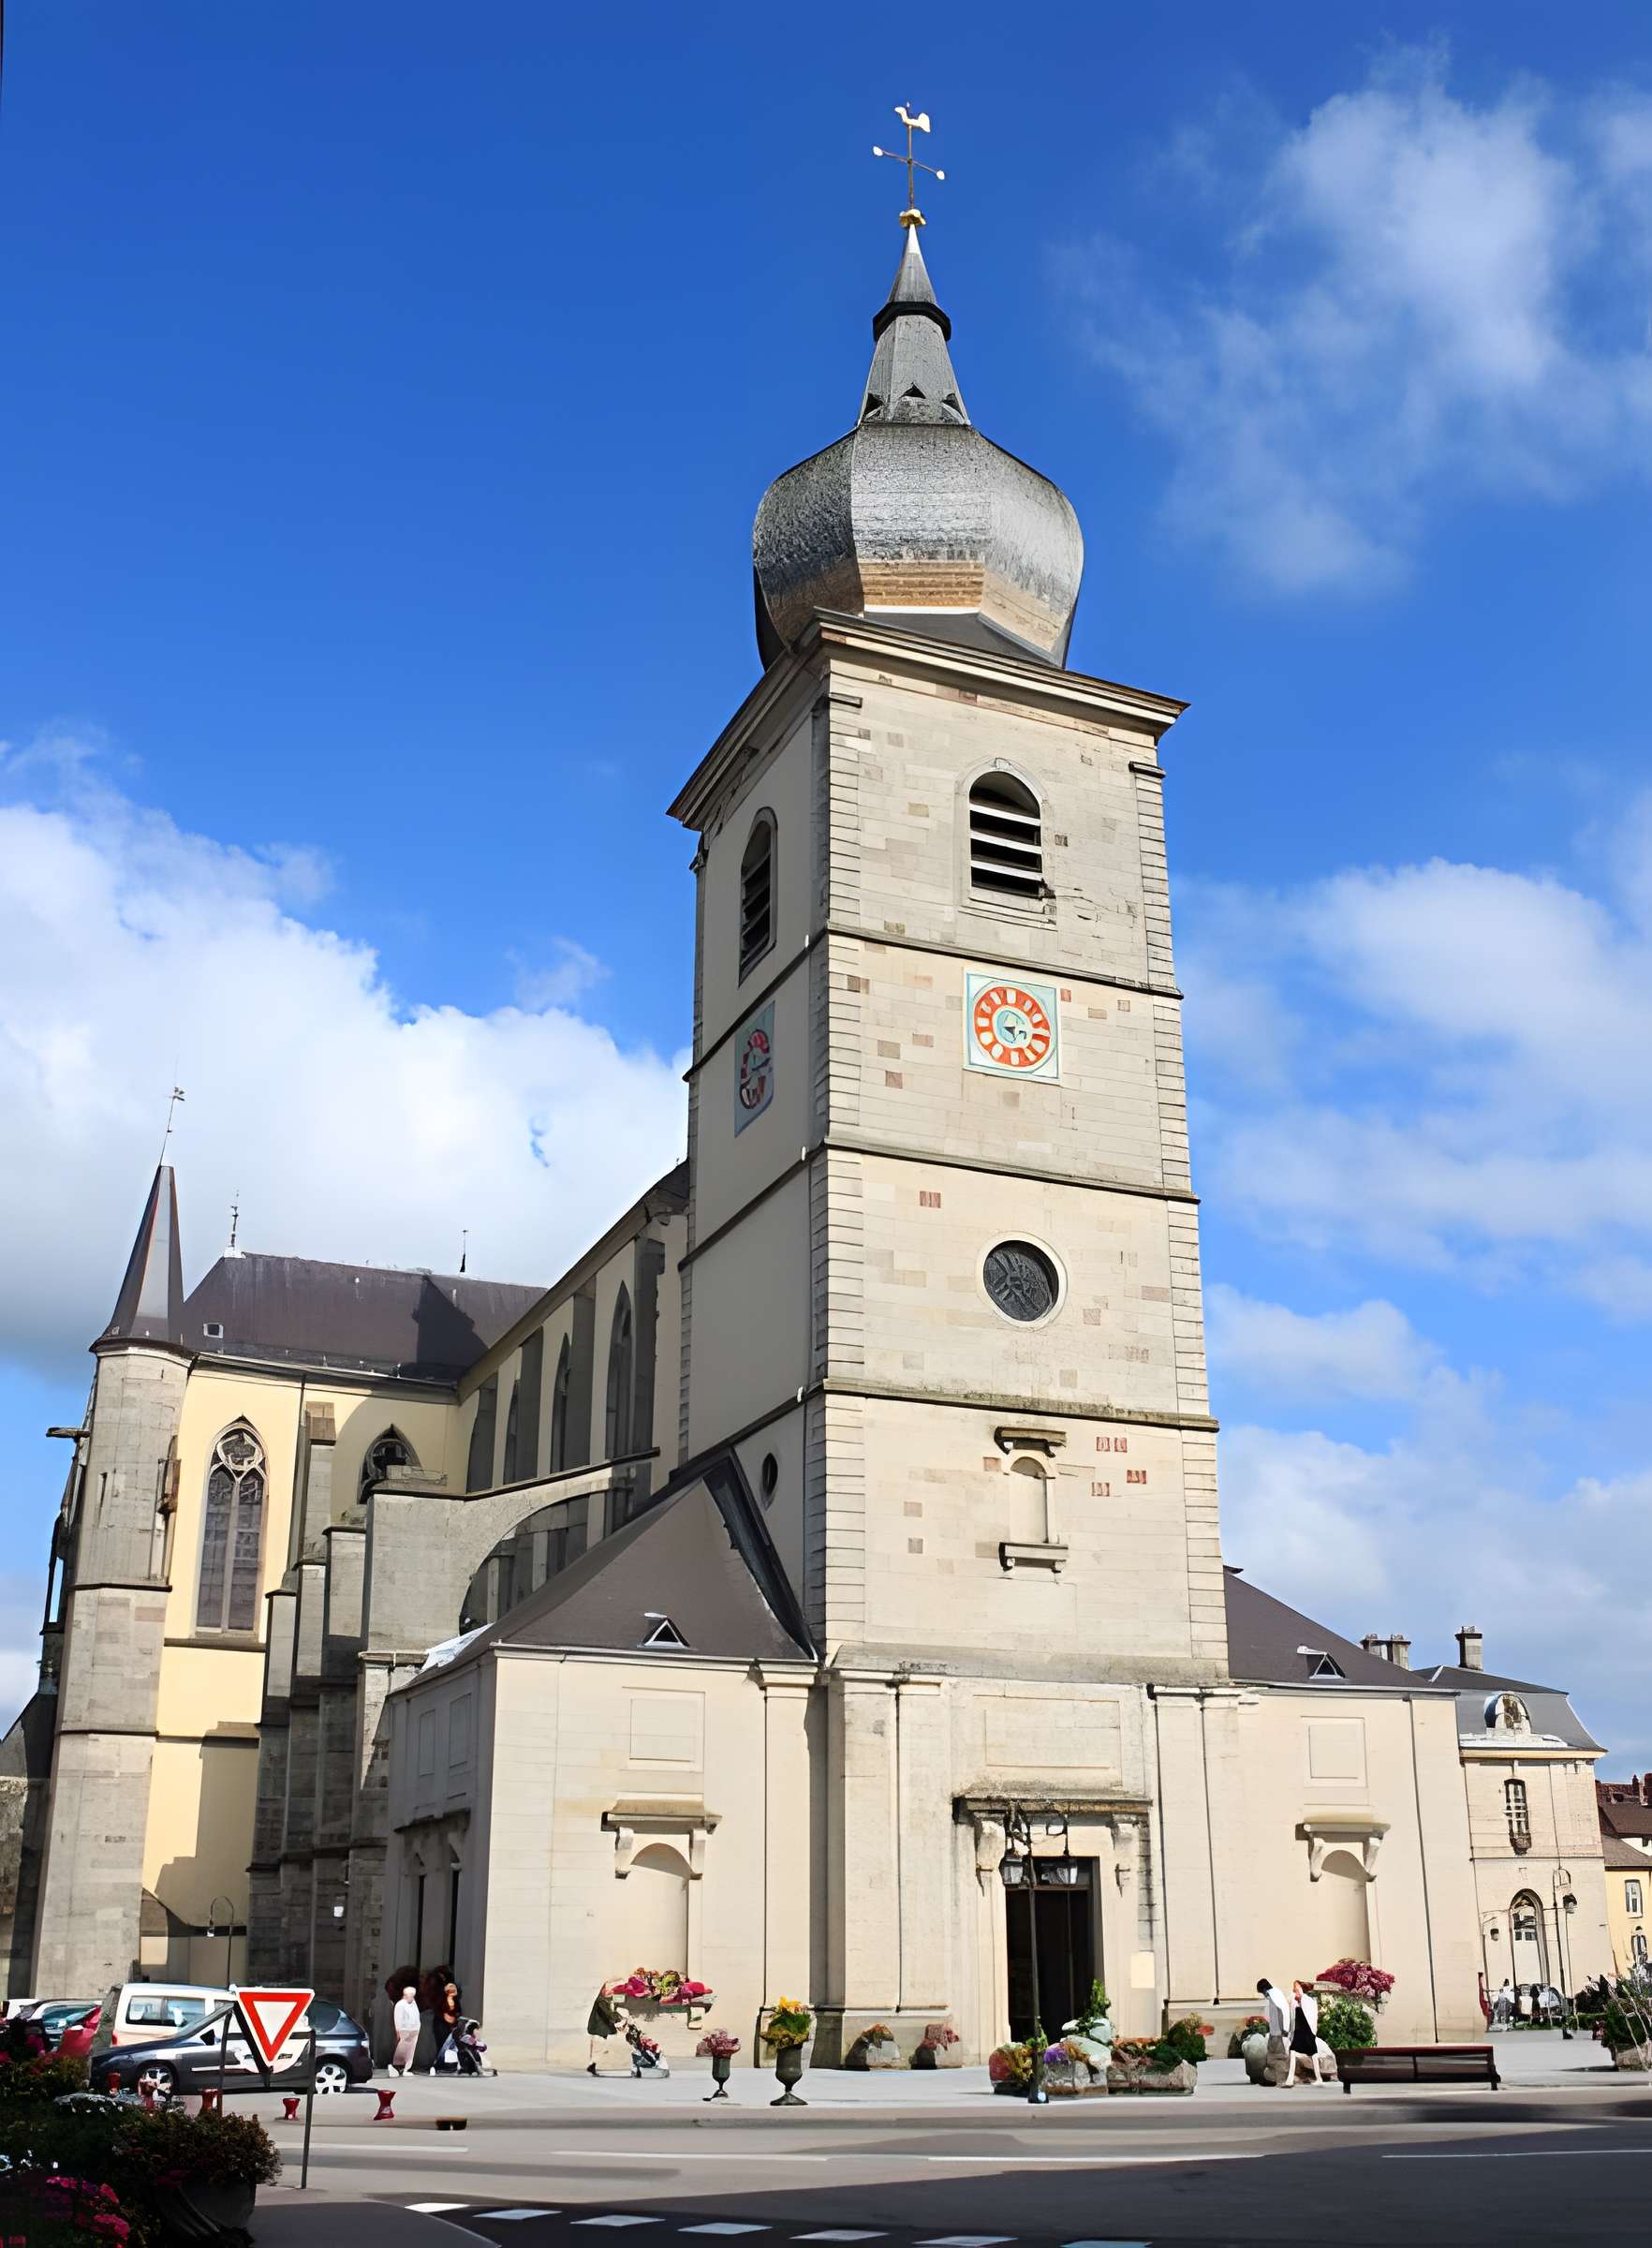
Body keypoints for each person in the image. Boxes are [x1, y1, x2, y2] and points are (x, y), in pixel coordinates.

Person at [1285, 1978, 1333, 2086]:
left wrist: (1312, 2034)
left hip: (1308, 2032)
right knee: (1293, 2052)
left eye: (1296, 1989)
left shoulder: (1308, 2001)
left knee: (1313, 2055)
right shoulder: (1295, 2003)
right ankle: (1290, 2078)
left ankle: (1318, 2078)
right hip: (1298, 2032)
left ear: (1301, 1989)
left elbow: (1311, 2017)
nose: (1294, 1991)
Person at [433, 1979, 464, 2071]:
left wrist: (454, 2018)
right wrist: (444, 2016)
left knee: (451, 2046)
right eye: (451, 1990)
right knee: (441, 2045)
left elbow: (459, 2012)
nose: (454, 1992)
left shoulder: (456, 2001)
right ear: (447, 1991)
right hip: (441, 2026)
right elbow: (437, 2011)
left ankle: (450, 2065)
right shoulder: (441, 2000)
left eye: (454, 1990)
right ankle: (439, 2064)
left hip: (452, 2027)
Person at [391, 1985, 420, 2076]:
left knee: (411, 2050)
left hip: (414, 2030)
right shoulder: (400, 2004)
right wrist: (398, 2030)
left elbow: (416, 2015)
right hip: (404, 2030)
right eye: (410, 1995)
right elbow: (398, 2019)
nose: (411, 1997)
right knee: (402, 2048)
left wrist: (418, 2026)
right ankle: (398, 2066)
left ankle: (407, 2067)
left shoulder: (413, 2003)